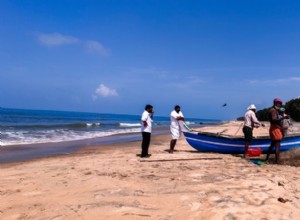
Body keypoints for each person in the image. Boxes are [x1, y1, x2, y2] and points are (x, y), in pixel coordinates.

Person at [265, 98, 289, 164]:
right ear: (276, 103)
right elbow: (274, 119)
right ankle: (277, 161)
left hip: (274, 128)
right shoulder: (273, 111)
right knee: (277, 145)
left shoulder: (274, 110)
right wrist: (283, 118)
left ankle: (266, 158)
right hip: (275, 129)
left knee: (273, 144)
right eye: (279, 103)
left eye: (280, 104)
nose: (280, 105)